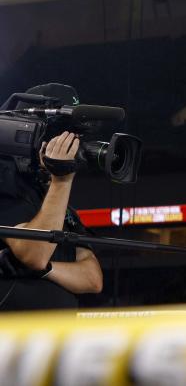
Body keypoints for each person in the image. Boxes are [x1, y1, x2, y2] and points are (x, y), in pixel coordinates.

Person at [0, 83, 103, 310]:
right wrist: (62, 179)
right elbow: (35, 255)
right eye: (61, 135)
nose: (68, 144)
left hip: (55, 338)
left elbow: (92, 278)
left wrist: (47, 270)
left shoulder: (61, 207)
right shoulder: (5, 186)